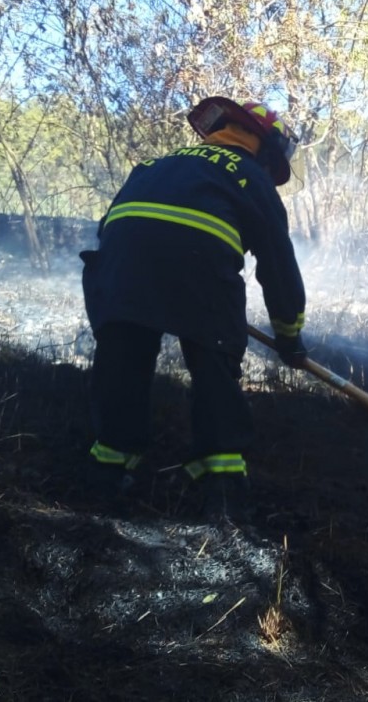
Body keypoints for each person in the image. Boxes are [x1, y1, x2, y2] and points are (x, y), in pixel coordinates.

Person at [80, 96, 308, 518]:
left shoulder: (154, 165)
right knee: (213, 364)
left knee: (122, 364)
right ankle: (222, 492)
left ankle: (105, 476)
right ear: (265, 148)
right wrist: (290, 337)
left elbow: (108, 231)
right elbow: (278, 267)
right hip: (199, 271)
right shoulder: (250, 177)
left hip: (121, 269)